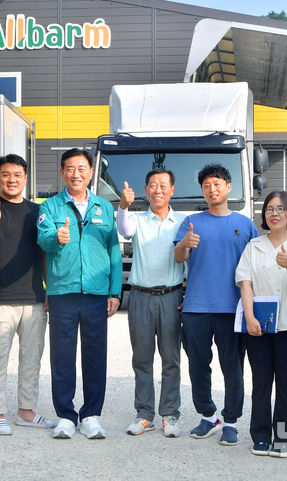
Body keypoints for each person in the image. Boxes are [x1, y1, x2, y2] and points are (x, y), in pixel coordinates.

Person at [37, 148, 122, 440]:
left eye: (82, 168)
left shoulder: (104, 207)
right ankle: (65, 416)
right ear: (62, 172)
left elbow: (113, 250)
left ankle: (91, 415)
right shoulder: (50, 207)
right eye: (70, 169)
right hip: (63, 291)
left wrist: (114, 291)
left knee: (95, 356)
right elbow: (43, 240)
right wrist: (56, 238)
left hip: (97, 293)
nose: (76, 174)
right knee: (62, 356)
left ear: (90, 172)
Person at [174, 163, 257, 445]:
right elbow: (177, 257)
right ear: (202, 190)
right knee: (198, 365)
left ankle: (231, 421)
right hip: (196, 308)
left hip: (232, 310)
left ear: (229, 187)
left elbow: (255, 267)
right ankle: (208, 415)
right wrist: (184, 243)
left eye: (217, 184)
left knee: (232, 366)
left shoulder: (244, 225)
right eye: (207, 185)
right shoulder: (192, 222)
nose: (212, 189)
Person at [0, 154, 55, 435]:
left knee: (32, 358)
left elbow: (44, 253)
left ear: (25, 177)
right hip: (0, 300)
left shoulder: (37, 212)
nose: (12, 180)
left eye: (17, 174)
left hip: (34, 298)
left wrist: (49, 290)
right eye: (6, 174)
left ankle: (26, 411)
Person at [235, 191, 287, 457]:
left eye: (280, 209)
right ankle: (260, 436)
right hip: (258, 325)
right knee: (260, 382)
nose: (274, 213)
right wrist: (249, 317)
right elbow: (245, 283)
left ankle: (283, 437)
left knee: (286, 382)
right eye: (270, 209)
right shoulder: (253, 246)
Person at [118, 169, 185, 438]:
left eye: (163, 185)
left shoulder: (181, 222)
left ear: (172, 190)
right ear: (146, 190)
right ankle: (145, 414)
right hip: (141, 297)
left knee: (171, 359)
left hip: (171, 296)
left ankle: (170, 415)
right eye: (153, 185)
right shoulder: (137, 220)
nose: (158, 190)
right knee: (142, 359)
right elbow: (123, 229)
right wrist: (123, 205)